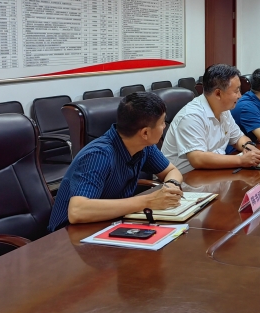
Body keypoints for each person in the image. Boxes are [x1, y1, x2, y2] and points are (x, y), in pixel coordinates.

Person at [47, 92, 184, 232]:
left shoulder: (144, 146)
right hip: (69, 237)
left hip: (109, 225)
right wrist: (149, 201)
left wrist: (170, 187)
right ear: (145, 133)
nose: (164, 127)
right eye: (162, 123)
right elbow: (77, 212)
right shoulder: (98, 155)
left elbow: (171, 171)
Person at [161, 64, 260, 170]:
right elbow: (198, 159)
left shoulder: (224, 110)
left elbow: (238, 138)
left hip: (212, 173)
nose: (240, 96)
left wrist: (249, 148)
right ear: (218, 93)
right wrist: (241, 160)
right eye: (236, 91)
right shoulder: (191, 116)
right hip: (187, 180)